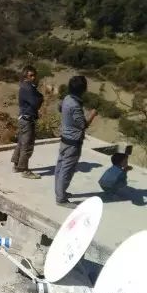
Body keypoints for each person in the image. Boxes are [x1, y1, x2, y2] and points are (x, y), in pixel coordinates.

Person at [54, 76, 97, 208]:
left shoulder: (67, 99)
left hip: (65, 139)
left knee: (60, 167)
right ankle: (61, 199)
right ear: (83, 89)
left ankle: (60, 193)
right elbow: (83, 125)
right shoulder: (75, 106)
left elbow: (59, 107)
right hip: (73, 142)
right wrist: (93, 115)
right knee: (67, 170)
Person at [11, 65, 44, 179]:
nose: (33, 77)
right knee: (27, 145)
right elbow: (36, 103)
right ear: (26, 76)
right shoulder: (29, 88)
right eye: (31, 75)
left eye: (34, 75)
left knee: (21, 142)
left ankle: (16, 164)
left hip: (23, 118)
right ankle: (24, 170)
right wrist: (41, 97)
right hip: (27, 119)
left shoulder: (25, 87)